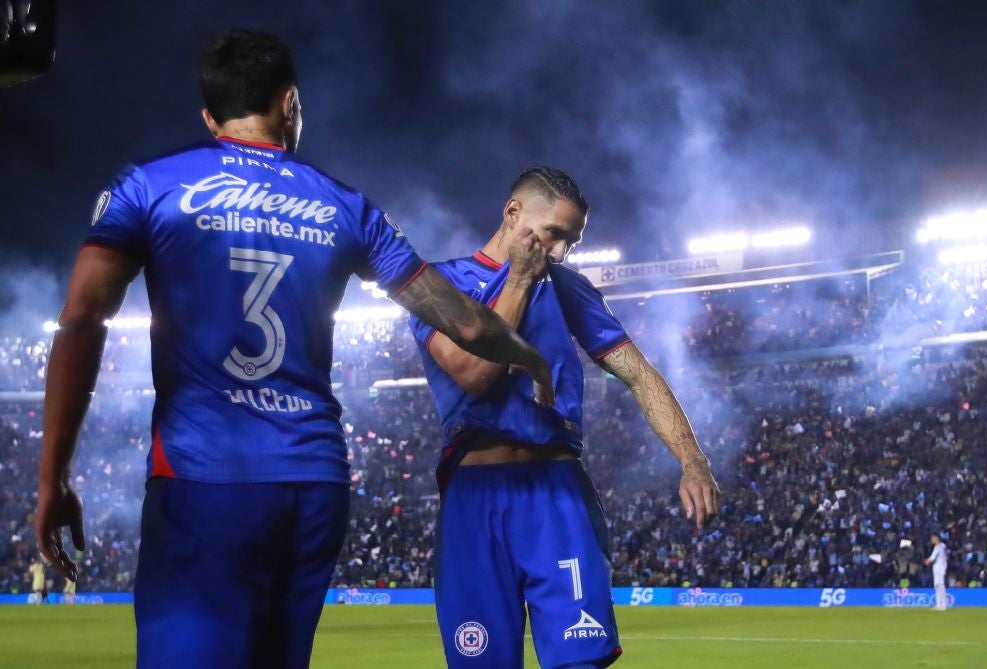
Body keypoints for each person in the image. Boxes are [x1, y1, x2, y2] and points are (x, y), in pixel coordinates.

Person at [34, 30, 553, 669]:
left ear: (208, 116)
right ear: (290, 104)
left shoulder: (151, 186)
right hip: (313, 482)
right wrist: (530, 357)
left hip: (204, 480)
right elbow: (467, 325)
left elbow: (83, 319)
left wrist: (52, 477)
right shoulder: (347, 205)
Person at [409, 166, 721, 668]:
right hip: (474, 498)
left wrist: (692, 459)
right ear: (513, 213)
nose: (559, 252)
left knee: (581, 660)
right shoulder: (440, 284)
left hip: (555, 490)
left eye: (570, 243)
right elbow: (474, 374)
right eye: (555, 234)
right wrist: (517, 280)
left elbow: (638, 373)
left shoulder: (567, 289)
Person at [924, 533, 949, 611]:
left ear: (936, 538)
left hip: (940, 568)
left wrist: (928, 561)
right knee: (937, 585)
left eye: (933, 538)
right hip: (937, 567)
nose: (932, 540)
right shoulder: (940, 546)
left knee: (940, 585)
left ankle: (944, 604)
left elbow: (933, 556)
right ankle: (938, 604)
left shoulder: (940, 546)